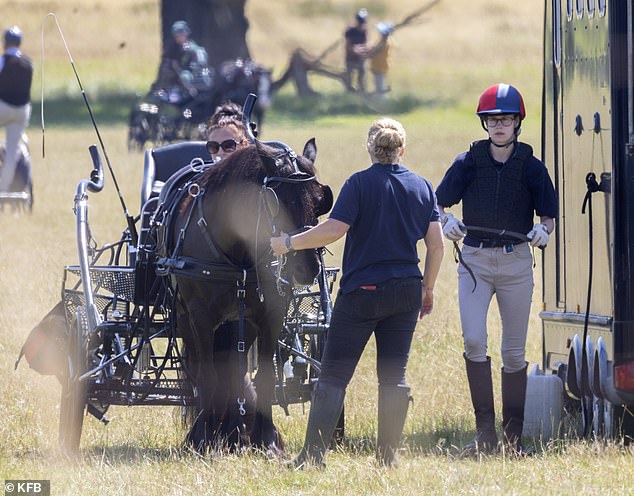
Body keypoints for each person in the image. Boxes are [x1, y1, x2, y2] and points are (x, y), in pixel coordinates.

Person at [271, 117, 444, 467]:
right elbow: (436, 246)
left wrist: (289, 243)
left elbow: (333, 230)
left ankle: (312, 458)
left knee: (334, 375)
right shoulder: (422, 187)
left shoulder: (359, 184)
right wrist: (427, 288)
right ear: (402, 150)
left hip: (362, 292)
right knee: (394, 376)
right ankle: (388, 458)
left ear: (370, 149)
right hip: (406, 291)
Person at [435, 83, 558, 455]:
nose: (499, 126)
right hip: (474, 260)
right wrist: (446, 222)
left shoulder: (532, 167)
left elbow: (549, 215)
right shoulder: (468, 162)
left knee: (515, 352)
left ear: (517, 122)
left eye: (505, 119)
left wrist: (543, 230)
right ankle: (484, 433)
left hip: (516, 260)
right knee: (473, 340)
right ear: (484, 124)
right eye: (492, 120)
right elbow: (437, 202)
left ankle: (513, 438)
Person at [0, 26, 33, 192]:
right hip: (21, 111)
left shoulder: (2, 61)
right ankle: (3, 188)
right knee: (12, 152)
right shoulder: (28, 63)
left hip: (3, 108)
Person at [160, 20, 212, 104]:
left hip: (193, 77)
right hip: (179, 80)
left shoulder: (193, 48)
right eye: (177, 35)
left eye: (181, 34)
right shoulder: (174, 48)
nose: (179, 37)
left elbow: (201, 62)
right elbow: (173, 65)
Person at [344, 9, 369, 93]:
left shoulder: (364, 31)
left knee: (361, 75)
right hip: (350, 58)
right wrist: (354, 49)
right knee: (349, 77)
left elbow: (365, 44)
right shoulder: (350, 31)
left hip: (360, 58)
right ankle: (349, 93)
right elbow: (347, 46)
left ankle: (361, 93)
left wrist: (361, 49)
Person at [367, 21, 394, 95]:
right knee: (379, 86)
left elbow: (372, 54)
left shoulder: (383, 43)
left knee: (379, 89)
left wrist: (369, 48)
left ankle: (381, 103)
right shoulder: (386, 41)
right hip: (381, 67)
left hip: (379, 67)